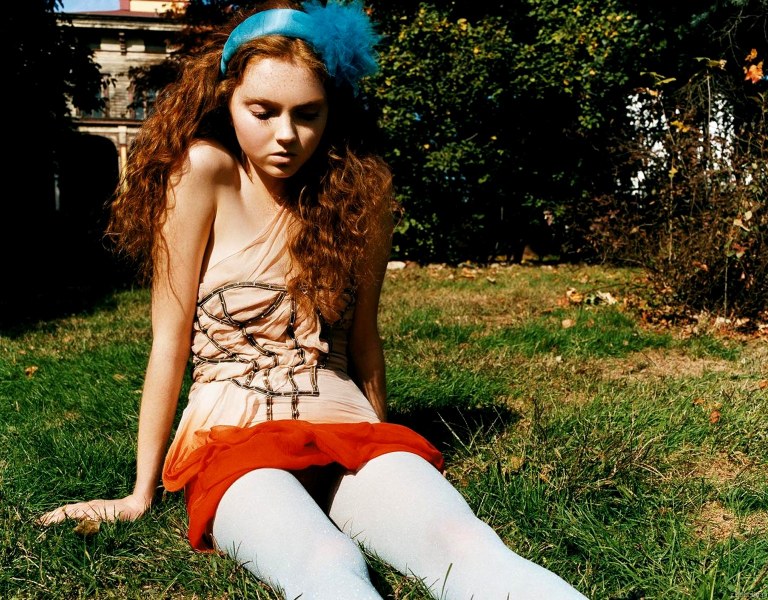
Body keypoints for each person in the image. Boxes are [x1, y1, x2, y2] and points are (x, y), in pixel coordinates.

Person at [39, 1, 588, 598]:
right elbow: (168, 344)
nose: (286, 134)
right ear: (226, 98)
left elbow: (364, 340)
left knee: (465, 544)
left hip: (346, 425)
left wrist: (382, 445)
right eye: (262, 111)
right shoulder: (204, 172)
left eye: (308, 114)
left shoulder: (360, 194)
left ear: (332, 112)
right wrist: (139, 493)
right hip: (232, 436)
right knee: (324, 560)